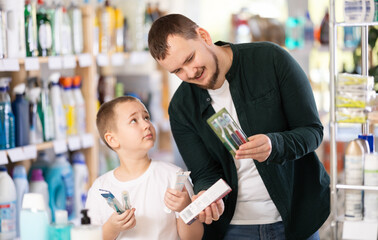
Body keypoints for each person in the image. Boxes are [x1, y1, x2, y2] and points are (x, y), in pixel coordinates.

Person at [148, 14, 330, 240]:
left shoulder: (271, 59)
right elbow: (205, 171)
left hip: (296, 218)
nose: (189, 73)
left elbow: (312, 131)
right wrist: (207, 195)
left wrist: (275, 144)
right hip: (235, 229)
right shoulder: (181, 108)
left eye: (190, 59)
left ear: (203, 36)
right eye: (177, 71)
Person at [85, 96, 204, 240]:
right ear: (112, 139)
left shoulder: (173, 177)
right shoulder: (100, 188)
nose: (147, 124)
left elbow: (195, 237)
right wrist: (112, 227)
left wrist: (185, 209)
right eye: (134, 120)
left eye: (146, 117)